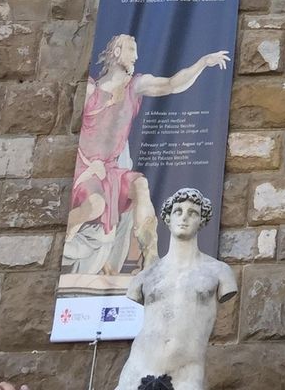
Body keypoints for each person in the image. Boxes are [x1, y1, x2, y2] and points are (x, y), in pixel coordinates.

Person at [65, 33, 231, 276]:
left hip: (110, 171)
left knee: (140, 185)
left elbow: (172, 84)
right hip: (86, 168)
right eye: (131, 50)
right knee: (95, 205)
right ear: (117, 52)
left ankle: (151, 257)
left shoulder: (135, 87)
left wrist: (202, 63)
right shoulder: (92, 90)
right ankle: (70, 229)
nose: (136, 56)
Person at [113, 188, 238, 390]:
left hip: (186, 373)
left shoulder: (218, 272)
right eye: (178, 211)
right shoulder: (145, 276)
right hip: (137, 369)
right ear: (168, 218)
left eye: (192, 213)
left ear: (202, 220)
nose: (184, 218)